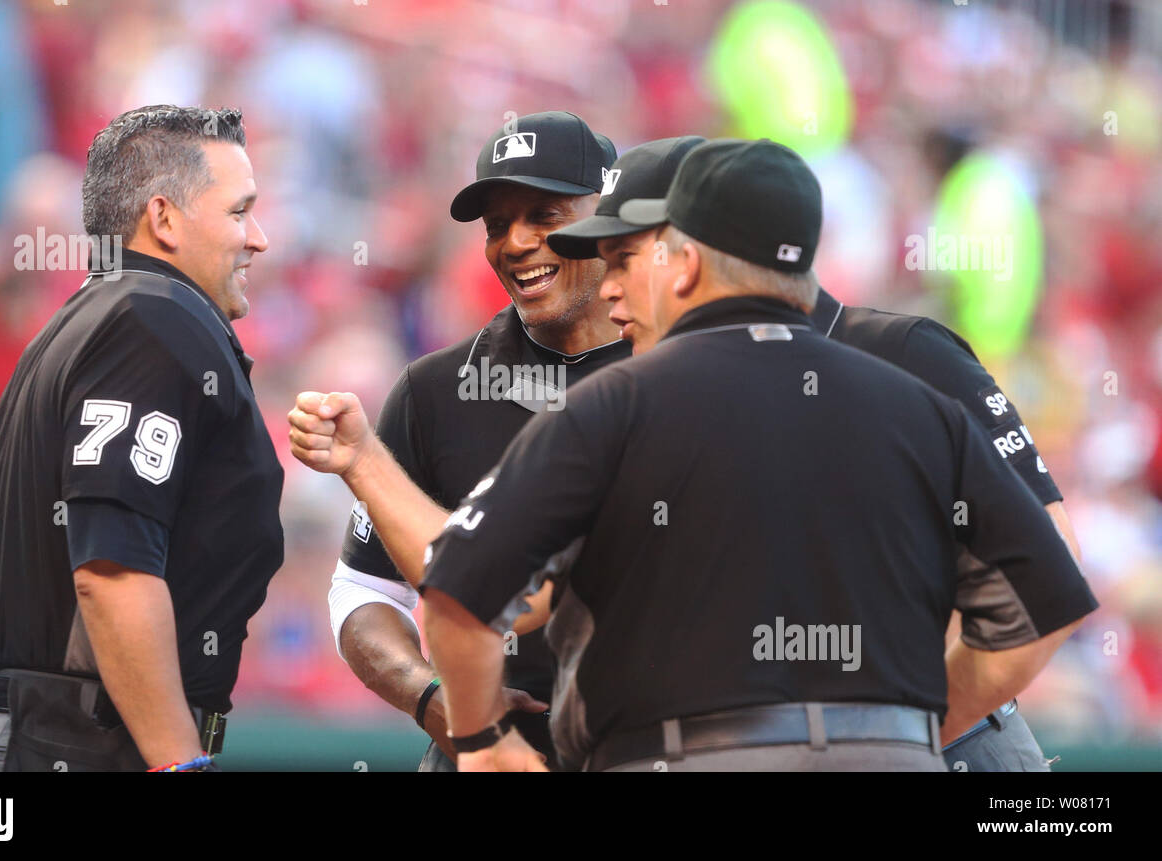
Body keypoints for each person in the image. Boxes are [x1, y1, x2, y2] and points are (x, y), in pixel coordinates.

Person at [418, 138, 1098, 772]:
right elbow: (1039, 593)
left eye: (624, 257)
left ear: (684, 256)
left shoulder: (906, 358)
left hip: (961, 746)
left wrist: (482, 739)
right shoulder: (902, 403)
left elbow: (456, 589)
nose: (606, 284)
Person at [0, 105, 284, 772]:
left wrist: (17, 702)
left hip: (16, 744)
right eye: (240, 211)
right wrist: (173, 759)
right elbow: (112, 570)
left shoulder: (64, 330)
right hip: (87, 749)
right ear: (164, 218)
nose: (258, 238)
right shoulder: (154, 322)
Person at [287, 111, 627, 771]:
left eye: (546, 215)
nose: (517, 243)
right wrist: (438, 702)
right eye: (498, 225)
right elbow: (363, 592)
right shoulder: (435, 392)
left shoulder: (677, 373)